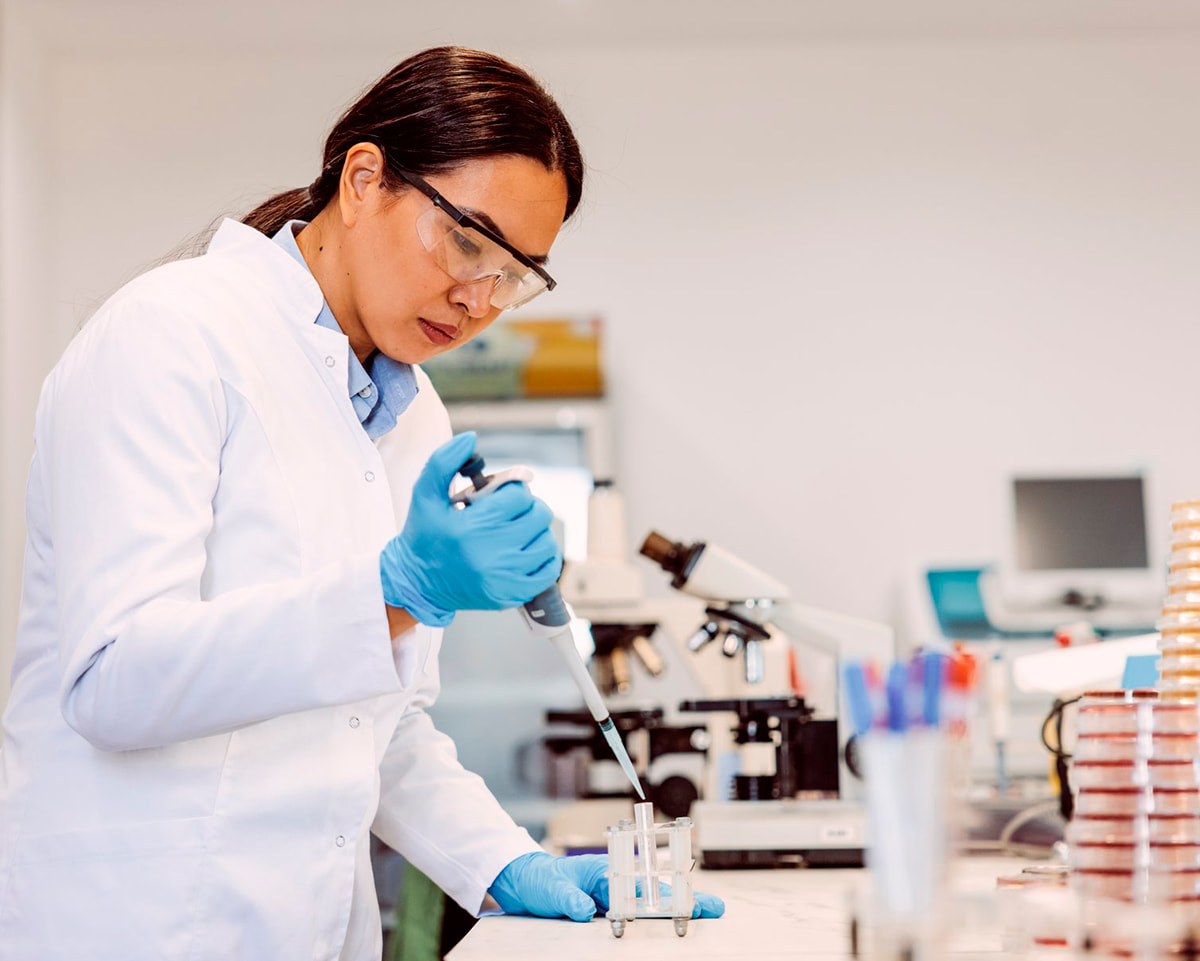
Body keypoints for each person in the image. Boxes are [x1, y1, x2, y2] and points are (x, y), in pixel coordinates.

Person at [0, 45, 722, 958]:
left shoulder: (413, 412)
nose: (479, 297)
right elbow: (111, 676)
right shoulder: (170, 336)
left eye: (516, 275)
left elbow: (378, 723)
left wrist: (501, 861)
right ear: (365, 178)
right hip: (133, 922)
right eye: (469, 241)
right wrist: (395, 589)